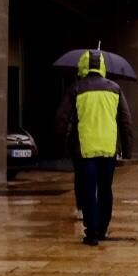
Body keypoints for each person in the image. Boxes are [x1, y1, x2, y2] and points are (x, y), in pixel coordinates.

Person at [54, 50, 132, 245]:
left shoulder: (76, 88)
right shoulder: (115, 89)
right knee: (105, 189)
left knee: (88, 189)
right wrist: (128, 150)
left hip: (84, 149)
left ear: (83, 66)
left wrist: (59, 146)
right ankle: (103, 229)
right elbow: (126, 121)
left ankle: (92, 231)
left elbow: (61, 119)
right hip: (108, 148)